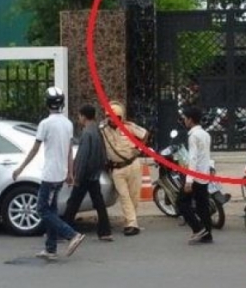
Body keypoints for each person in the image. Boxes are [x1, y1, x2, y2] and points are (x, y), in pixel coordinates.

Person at [12, 87, 85, 260]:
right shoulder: (67, 124)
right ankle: (51, 249)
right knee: (51, 209)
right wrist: (70, 172)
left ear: (47, 103)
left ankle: (72, 235)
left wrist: (21, 168)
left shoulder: (45, 124)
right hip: (61, 173)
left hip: (50, 174)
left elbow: (35, 149)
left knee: (42, 209)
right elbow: (69, 150)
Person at [63, 104, 113, 241]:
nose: (79, 118)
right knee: (99, 203)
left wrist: (77, 176)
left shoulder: (86, 133)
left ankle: (65, 231)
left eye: (79, 116)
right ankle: (105, 231)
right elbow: (102, 153)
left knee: (73, 203)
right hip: (94, 173)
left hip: (85, 174)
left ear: (83, 117)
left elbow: (83, 157)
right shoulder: (97, 131)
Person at [100, 100, 148, 236]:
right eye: (109, 117)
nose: (112, 120)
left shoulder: (128, 126)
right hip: (117, 169)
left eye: (115, 117)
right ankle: (132, 224)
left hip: (133, 164)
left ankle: (130, 221)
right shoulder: (103, 130)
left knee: (134, 196)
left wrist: (139, 149)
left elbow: (145, 134)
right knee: (124, 196)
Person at [177, 106, 213, 245]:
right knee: (202, 206)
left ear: (190, 120)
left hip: (196, 175)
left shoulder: (193, 136)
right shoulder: (205, 134)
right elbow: (205, 156)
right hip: (204, 174)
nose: (184, 121)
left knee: (181, 202)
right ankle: (207, 234)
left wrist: (189, 180)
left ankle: (197, 229)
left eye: (185, 118)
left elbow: (193, 158)